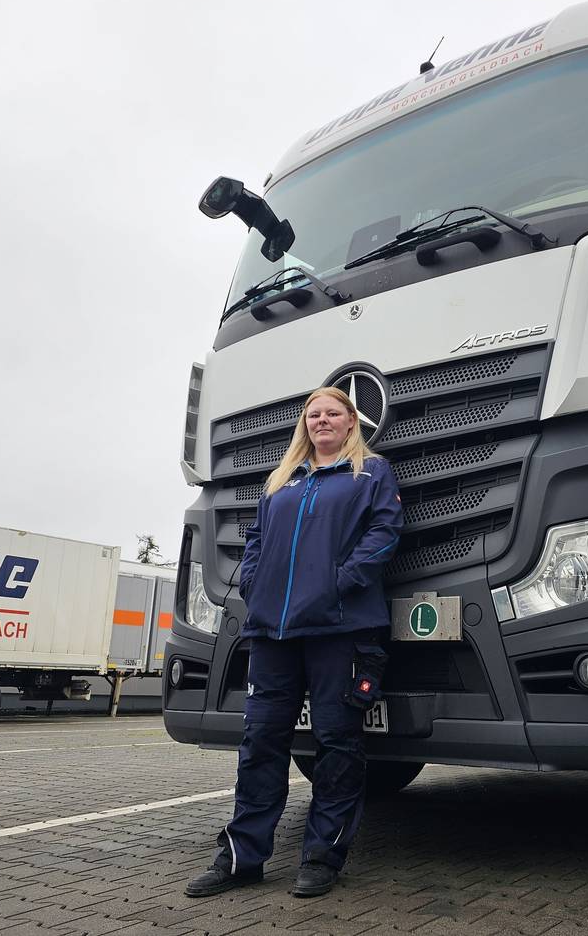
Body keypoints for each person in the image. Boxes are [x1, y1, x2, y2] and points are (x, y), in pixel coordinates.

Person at [185, 385, 403, 899]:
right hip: (272, 632)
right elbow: (256, 540)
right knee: (260, 741)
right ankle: (242, 858)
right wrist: (254, 583)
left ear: (351, 422)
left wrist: (338, 582)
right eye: (313, 415)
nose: (321, 421)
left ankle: (323, 857)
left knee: (337, 743)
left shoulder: (371, 473)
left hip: (339, 628)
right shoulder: (282, 480)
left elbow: (385, 532)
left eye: (332, 413)